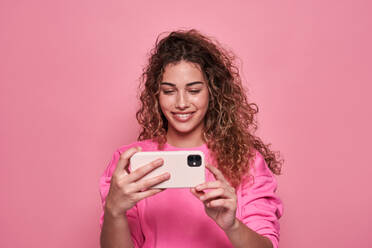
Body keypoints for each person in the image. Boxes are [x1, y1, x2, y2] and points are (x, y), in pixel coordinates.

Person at [99, 29, 283, 248]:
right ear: (156, 95)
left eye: (193, 90)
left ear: (212, 91)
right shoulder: (130, 161)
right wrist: (114, 210)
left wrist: (231, 225)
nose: (182, 103)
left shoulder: (247, 160)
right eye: (169, 91)